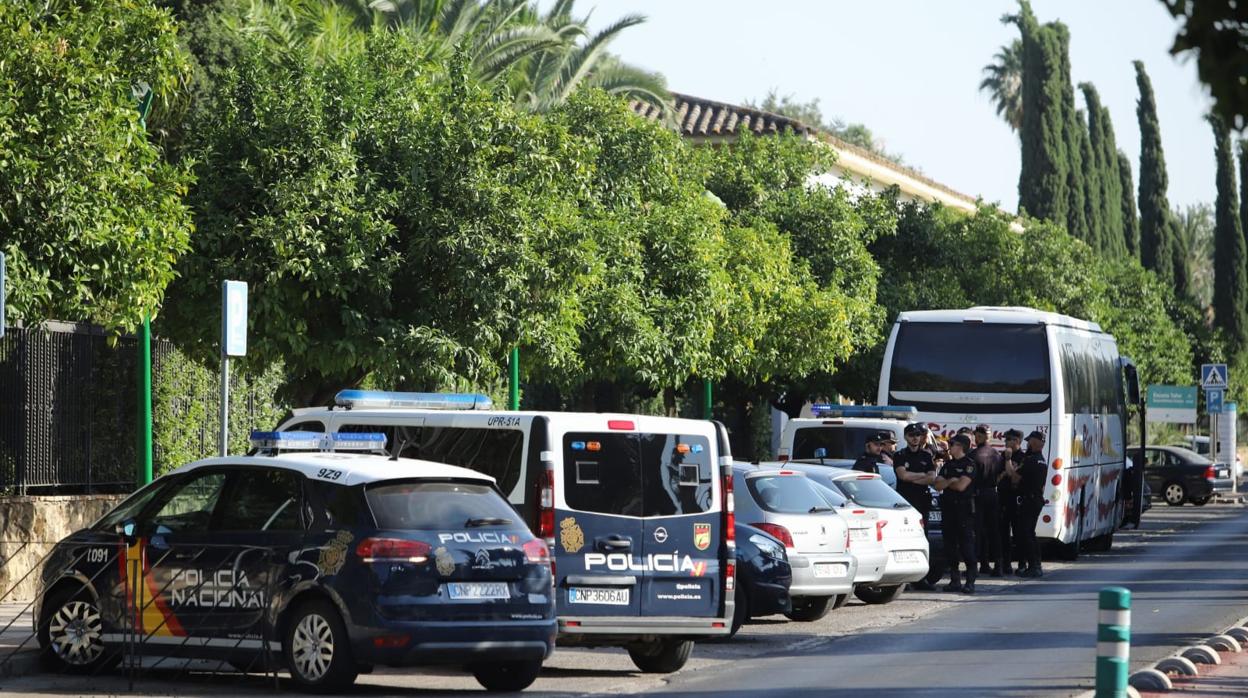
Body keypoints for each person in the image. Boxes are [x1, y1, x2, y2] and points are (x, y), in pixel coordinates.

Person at [894, 423, 939, 591]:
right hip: (906, 503)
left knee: (922, 539)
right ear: (906, 437)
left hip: (922, 502)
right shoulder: (900, 455)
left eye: (918, 435)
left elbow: (932, 478)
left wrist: (913, 477)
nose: (915, 438)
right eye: (912, 435)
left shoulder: (927, 456)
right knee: (904, 540)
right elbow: (902, 476)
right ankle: (902, 579)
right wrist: (921, 476)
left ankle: (921, 579)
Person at [934, 434, 978, 593]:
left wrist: (949, 482)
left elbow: (961, 486)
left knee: (966, 546)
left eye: (952, 444)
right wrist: (951, 481)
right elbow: (937, 485)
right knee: (950, 547)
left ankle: (970, 581)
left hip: (964, 511)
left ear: (960, 446)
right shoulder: (948, 465)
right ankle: (955, 580)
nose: (949, 447)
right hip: (948, 510)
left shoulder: (970, 465)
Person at [1010, 430, 1048, 578]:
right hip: (1035, 499)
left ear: (1034, 442)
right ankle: (1035, 564)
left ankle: (1034, 566)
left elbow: (1015, 478)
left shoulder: (1031, 460)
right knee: (1029, 533)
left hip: (1029, 500)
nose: (1027, 444)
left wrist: (1009, 464)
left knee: (1026, 534)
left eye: (1029, 441)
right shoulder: (1041, 459)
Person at [971, 424, 1005, 576]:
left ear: (978, 436)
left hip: (978, 495)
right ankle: (997, 565)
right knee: (993, 531)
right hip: (993, 493)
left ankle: (979, 565)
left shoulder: (973, 455)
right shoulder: (996, 454)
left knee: (978, 531)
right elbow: (1001, 474)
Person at [998, 429, 1025, 574]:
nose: (1005, 443)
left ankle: (1021, 563)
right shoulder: (1002, 456)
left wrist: (1008, 461)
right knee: (1003, 534)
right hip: (1003, 498)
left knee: (1018, 533)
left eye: (1008, 440)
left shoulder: (1022, 457)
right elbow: (998, 475)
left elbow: (1011, 474)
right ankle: (1006, 564)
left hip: (1016, 499)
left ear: (1016, 441)